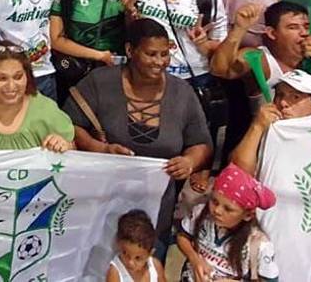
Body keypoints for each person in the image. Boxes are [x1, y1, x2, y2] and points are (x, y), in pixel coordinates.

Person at [64, 18, 212, 255]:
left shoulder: (182, 93)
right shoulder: (100, 82)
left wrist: (189, 162)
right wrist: (101, 149)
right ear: (130, 50)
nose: (160, 62)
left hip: (156, 218)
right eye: (151, 54)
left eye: (165, 54)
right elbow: (70, 126)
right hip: (100, 213)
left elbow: (201, 142)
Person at [176, 164, 278, 282]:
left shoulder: (259, 243)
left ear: (248, 215)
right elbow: (182, 236)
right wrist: (194, 259)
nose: (217, 211)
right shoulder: (200, 213)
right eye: (214, 201)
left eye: (228, 209)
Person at [228, 69, 311, 176]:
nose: (283, 103)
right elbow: (237, 172)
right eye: (279, 95)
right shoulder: (263, 129)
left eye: (295, 97)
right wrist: (257, 127)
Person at [107, 210, 164, 282]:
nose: (130, 262)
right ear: (119, 243)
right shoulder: (115, 272)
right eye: (125, 253)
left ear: (150, 253)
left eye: (137, 258)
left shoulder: (155, 267)